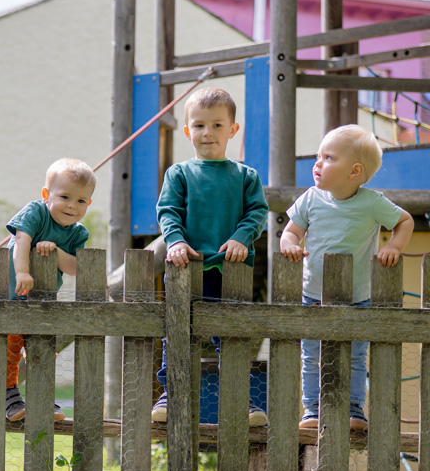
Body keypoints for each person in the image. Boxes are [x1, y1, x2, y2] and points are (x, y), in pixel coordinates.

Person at [280, 124, 413, 431]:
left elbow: (404, 221)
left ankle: (354, 409)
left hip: (360, 295)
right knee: (312, 354)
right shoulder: (310, 199)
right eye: (318, 155)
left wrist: (393, 245)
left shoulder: (372, 202)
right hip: (314, 293)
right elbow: (292, 230)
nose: (318, 163)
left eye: (328, 157)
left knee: (355, 355)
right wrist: (289, 244)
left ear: (354, 171)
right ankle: (312, 410)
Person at [152, 87, 269, 426]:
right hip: (185, 266)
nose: (208, 133)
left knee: (231, 333)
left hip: (230, 270)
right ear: (188, 131)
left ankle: (241, 398)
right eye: (200, 126)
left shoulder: (246, 176)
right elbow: (168, 211)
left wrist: (240, 238)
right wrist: (174, 241)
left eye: (218, 125)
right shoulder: (179, 174)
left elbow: (257, 213)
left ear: (233, 130)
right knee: (177, 330)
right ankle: (169, 395)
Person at [5, 158, 95, 422]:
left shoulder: (78, 233)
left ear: (88, 204)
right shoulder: (36, 212)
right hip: (11, 295)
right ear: (46, 195)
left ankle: (42, 397)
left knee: (41, 346)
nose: (72, 206)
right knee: (10, 347)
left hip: (42, 300)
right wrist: (23, 271)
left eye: (81, 201)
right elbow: (22, 239)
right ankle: (8, 395)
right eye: (65, 196)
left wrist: (56, 252)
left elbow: (76, 267)